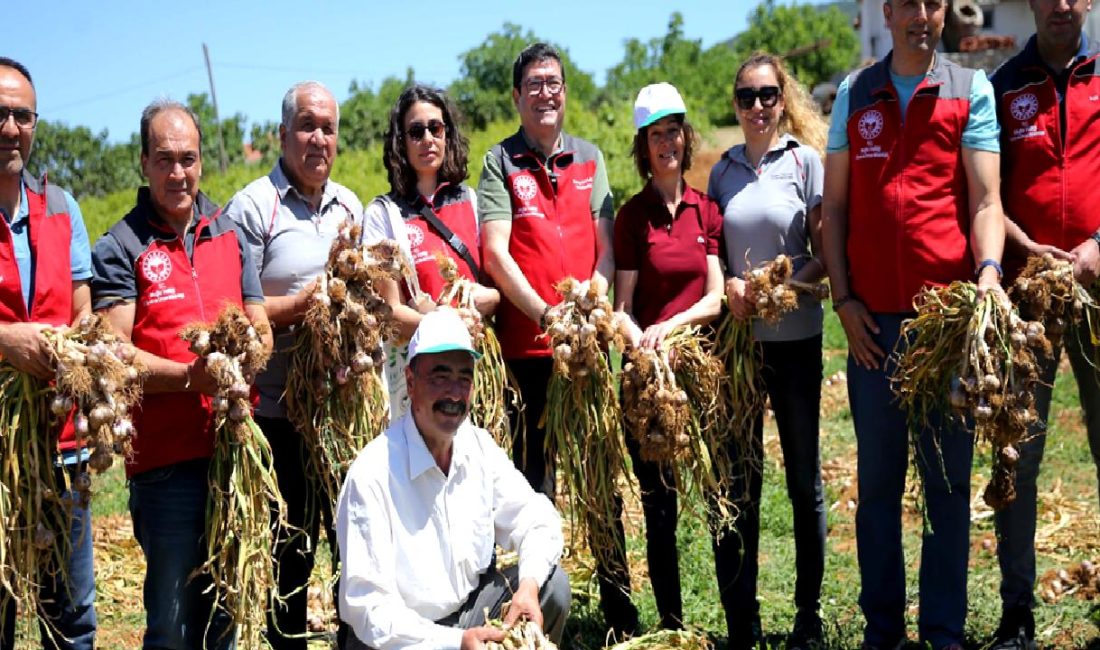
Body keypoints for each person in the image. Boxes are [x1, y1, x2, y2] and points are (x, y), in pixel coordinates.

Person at [820, 0, 1006, 647]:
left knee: (948, 485)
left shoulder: (968, 88)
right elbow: (835, 207)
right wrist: (843, 300)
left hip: (944, 328)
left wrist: (986, 269)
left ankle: (944, 629)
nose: (920, 15)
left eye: (931, 2)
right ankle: (883, 629)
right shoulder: (855, 93)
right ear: (888, 12)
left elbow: (986, 199)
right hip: (873, 328)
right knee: (877, 489)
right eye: (907, 3)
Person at [91, 99, 270, 649]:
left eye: (188, 159)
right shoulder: (120, 246)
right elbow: (115, 355)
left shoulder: (229, 231)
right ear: (143, 162)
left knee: (229, 615)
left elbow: (258, 319)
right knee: (172, 622)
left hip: (233, 453)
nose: (178, 173)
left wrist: (252, 351)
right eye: (165, 159)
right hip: (166, 466)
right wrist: (192, 378)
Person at [477, 43, 623, 635]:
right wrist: (545, 315)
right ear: (516, 96)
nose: (545, 93)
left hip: (585, 353)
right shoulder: (499, 163)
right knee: (534, 487)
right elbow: (495, 250)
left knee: (601, 480)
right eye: (534, 84)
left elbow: (607, 248)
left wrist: (589, 307)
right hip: (528, 354)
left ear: (566, 92)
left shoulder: (589, 158)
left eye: (554, 82)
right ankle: (538, 606)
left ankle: (617, 604)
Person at [336, 307, 570, 650]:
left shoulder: (477, 447)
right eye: (440, 376)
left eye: (464, 378)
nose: (454, 394)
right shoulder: (372, 473)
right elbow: (368, 608)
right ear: (411, 383)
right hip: (397, 639)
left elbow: (537, 518)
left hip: (467, 615)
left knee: (552, 586)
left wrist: (528, 587)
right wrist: (455, 642)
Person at [222, 80, 361, 649]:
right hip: (278, 413)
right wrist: (308, 303)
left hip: (343, 412)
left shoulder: (350, 205)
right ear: (282, 134)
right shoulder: (254, 206)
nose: (318, 138)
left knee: (355, 550)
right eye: (306, 125)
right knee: (291, 557)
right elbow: (234, 306)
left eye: (327, 127)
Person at [707, 52, 828, 650]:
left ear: (783, 101)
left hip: (798, 341)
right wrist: (730, 284)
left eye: (768, 95)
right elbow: (715, 258)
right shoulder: (722, 171)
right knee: (739, 482)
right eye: (747, 96)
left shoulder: (806, 163)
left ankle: (809, 614)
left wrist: (787, 286)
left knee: (803, 482)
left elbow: (827, 255)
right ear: (736, 103)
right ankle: (743, 620)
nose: (757, 106)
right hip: (740, 350)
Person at [990, 1, 1100, 647]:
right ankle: (1016, 613)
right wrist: (1022, 248)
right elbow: (983, 191)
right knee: (1017, 455)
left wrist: (1097, 245)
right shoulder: (1007, 85)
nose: (1061, 5)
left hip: (1098, 288)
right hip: (1028, 297)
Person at [607, 82, 723, 633]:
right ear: (643, 145)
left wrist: (670, 327)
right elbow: (622, 306)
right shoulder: (633, 217)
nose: (667, 142)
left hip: (701, 370)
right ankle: (672, 624)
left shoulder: (707, 210)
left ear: (686, 135)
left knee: (724, 497)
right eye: (656, 134)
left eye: (674, 130)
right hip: (650, 382)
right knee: (659, 508)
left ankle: (738, 625)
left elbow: (717, 296)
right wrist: (641, 346)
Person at [0, 57, 96, 650]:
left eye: (22, 115)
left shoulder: (62, 206)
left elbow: (83, 306)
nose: (11, 128)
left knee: (72, 616)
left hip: (64, 447)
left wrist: (77, 345)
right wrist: (5, 341)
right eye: (0, 114)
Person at [362, 84, 498, 419]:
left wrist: (482, 302)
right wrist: (448, 324)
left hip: (480, 369)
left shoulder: (473, 201)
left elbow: (496, 293)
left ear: (447, 134)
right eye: (416, 131)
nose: (427, 138)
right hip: (422, 378)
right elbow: (389, 314)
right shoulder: (383, 214)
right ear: (401, 142)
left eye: (436, 128)